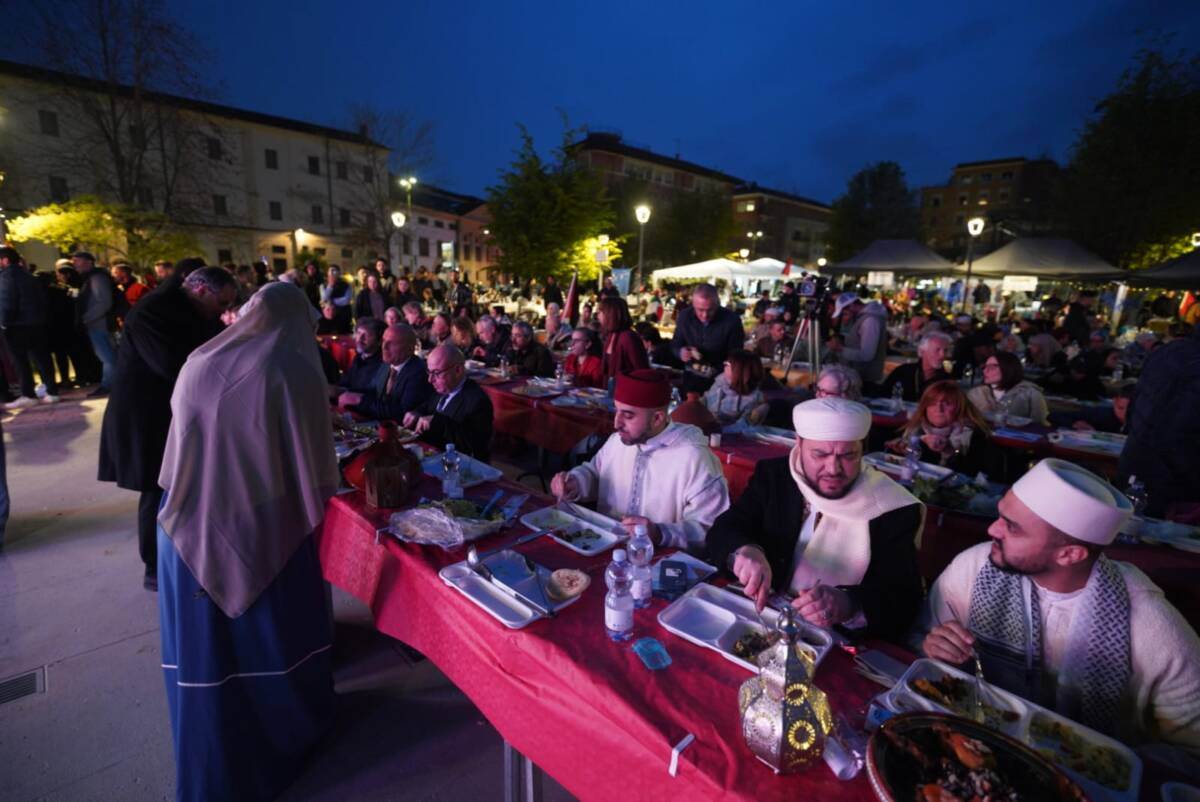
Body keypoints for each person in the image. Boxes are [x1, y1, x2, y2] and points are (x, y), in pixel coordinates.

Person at [156, 282, 339, 801]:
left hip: (183, 529)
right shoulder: (291, 369)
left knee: (208, 658)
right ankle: (284, 746)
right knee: (268, 649)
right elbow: (312, 468)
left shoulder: (201, 359)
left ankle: (213, 761)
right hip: (259, 528)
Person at [918, 459, 1200, 771]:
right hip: (970, 750)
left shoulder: (1153, 628)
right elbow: (919, 648)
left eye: (1012, 527)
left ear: (1070, 554)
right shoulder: (974, 568)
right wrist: (934, 652)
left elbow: (1192, 751)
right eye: (1001, 516)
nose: (991, 529)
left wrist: (1100, 764)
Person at [706, 397, 924, 639]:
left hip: (830, 639)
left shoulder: (891, 507)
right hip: (759, 619)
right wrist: (743, 551)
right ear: (799, 443)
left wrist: (848, 603)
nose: (833, 468)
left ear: (863, 448)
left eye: (848, 456)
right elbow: (724, 529)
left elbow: (904, 601)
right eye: (820, 455)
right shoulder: (775, 476)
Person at [98, 266, 237, 590]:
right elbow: (173, 365)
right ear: (202, 290)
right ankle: (155, 567)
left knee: (179, 484)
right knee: (156, 487)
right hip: (146, 415)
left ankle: (182, 555)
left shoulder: (191, 309)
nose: (223, 312)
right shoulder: (153, 311)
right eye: (222, 304)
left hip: (171, 411)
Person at [550, 369, 729, 550]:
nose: (616, 423)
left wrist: (659, 533)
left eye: (628, 415)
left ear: (658, 418)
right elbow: (596, 473)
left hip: (660, 563)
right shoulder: (617, 442)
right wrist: (575, 482)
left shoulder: (694, 457)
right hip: (604, 547)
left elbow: (713, 528)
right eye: (616, 411)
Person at [1117, 324, 1200, 518]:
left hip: (1135, 462)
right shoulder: (1191, 364)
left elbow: (1135, 405)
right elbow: (1181, 430)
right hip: (1174, 482)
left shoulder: (1166, 351)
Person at [889, 380, 1003, 477]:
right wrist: (900, 449)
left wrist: (948, 450)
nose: (939, 408)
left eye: (947, 403)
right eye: (932, 403)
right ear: (925, 407)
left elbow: (969, 475)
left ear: (959, 408)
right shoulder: (913, 430)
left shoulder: (974, 436)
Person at [403, 344, 493, 461]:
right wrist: (417, 413)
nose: (430, 380)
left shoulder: (478, 401)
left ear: (458, 370)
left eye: (436, 373)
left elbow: (474, 446)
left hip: (459, 466)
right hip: (432, 456)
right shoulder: (444, 386)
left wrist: (437, 421)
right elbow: (428, 406)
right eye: (429, 372)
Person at [0, 247, 61, 407]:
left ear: (5, 260)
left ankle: (28, 394)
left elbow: (7, 302)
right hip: (37, 323)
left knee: (20, 362)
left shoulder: (7, 276)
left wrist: (4, 323)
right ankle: (52, 391)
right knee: (42, 358)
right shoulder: (28, 275)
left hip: (17, 325)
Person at [338, 324, 432, 421]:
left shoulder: (418, 372)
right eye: (383, 341)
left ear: (410, 349)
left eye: (392, 343)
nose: (384, 347)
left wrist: (361, 400)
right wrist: (344, 392)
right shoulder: (387, 364)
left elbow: (402, 412)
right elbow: (374, 392)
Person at [670, 284, 744, 391]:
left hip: (719, 381)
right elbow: (676, 342)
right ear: (693, 304)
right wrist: (680, 351)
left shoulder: (732, 320)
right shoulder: (684, 316)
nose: (705, 315)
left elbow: (736, 354)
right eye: (700, 310)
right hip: (691, 378)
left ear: (717, 304)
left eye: (710, 310)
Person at [72, 251, 119, 396]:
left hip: (100, 324)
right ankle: (111, 385)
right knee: (108, 356)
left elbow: (104, 302)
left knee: (108, 357)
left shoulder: (97, 278)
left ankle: (108, 385)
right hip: (98, 324)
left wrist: (86, 318)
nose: (74, 265)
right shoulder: (93, 278)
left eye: (77, 261)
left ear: (88, 262)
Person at [967, 351, 1050, 426]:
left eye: (992, 367)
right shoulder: (977, 393)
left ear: (1008, 368)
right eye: (984, 367)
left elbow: (1040, 426)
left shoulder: (1031, 394)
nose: (985, 371)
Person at [826, 293, 887, 384]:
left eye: (844, 310)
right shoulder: (862, 318)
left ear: (851, 305)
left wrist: (840, 349)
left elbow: (867, 355)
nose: (844, 313)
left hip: (866, 380)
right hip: (859, 377)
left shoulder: (870, 321)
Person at [877, 331, 952, 402]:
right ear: (922, 351)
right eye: (937, 350)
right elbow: (883, 395)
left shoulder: (946, 381)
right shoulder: (903, 371)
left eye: (945, 351)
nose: (942, 355)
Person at [703, 349, 768, 425]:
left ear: (739, 370)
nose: (724, 364)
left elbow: (743, 426)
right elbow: (707, 399)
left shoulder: (752, 398)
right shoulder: (720, 382)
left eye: (728, 364)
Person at [598, 296, 649, 386]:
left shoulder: (628, 338)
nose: (598, 315)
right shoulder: (610, 335)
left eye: (601, 311)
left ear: (611, 314)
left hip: (627, 391)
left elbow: (641, 371)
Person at [335, 317, 386, 394]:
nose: (360, 339)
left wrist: (343, 391)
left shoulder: (382, 364)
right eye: (358, 333)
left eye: (367, 335)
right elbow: (347, 381)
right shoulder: (359, 357)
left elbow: (371, 392)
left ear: (379, 341)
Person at [319, 265, 354, 333]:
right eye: (330, 270)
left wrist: (331, 301)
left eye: (334, 270)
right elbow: (324, 299)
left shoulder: (346, 285)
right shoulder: (323, 285)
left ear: (339, 273)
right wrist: (330, 286)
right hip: (328, 316)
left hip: (343, 315)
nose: (332, 272)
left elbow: (346, 300)